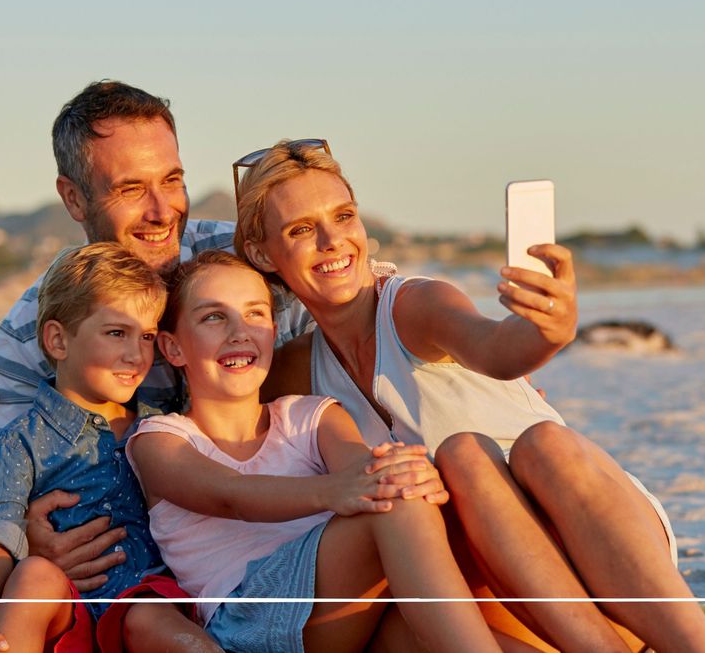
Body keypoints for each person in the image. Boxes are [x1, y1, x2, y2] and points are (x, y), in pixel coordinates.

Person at [233, 140, 705, 653]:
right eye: (302, 229)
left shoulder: (415, 304)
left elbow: (497, 347)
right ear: (264, 254)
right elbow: (223, 441)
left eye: (344, 216)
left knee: (507, 448)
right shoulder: (293, 370)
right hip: (511, 606)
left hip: (608, 563)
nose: (333, 241)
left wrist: (548, 331)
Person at [0, 81, 304, 645]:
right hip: (122, 552)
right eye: (131, 188)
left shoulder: (239, 266)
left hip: (255, 518)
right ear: (74, 198)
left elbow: (356, 295)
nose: (162, 210)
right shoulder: (29, 332)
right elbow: (2, 478)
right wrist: (35, 540)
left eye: (172, 180)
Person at [127, 251, 503, 653]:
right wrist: (334, 490)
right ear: (173, 347)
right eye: (213, 317)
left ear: (273, 330)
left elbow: (364, 472)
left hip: (342, 614)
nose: (239, 332)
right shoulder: (159, 440)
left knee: (399, 496)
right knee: (392, 503)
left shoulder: (310, 415)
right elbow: (231, 494)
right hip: (248, 617)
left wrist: (408, 474)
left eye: (255, 314)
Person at [0, 242, 215, 653]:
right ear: (58, 341)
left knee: (149, 613)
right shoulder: (21, 441)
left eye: (147, 336)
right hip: (64, 610)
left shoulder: (163, 428)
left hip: (145, 600)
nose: (136, 354)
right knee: (34, 575)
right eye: (116, 333)